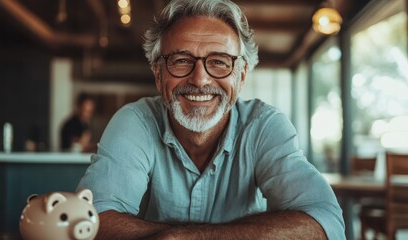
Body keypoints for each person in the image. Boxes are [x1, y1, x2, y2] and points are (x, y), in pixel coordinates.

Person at [77, 0, 345, 239]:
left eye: (219, 62)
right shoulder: (134, 122)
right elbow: (92, 219)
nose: (200, 79)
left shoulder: (264, 125)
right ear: (158, 74)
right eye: (181, 60)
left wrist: (185, 237)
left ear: (240, 77)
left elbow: (324, 223)